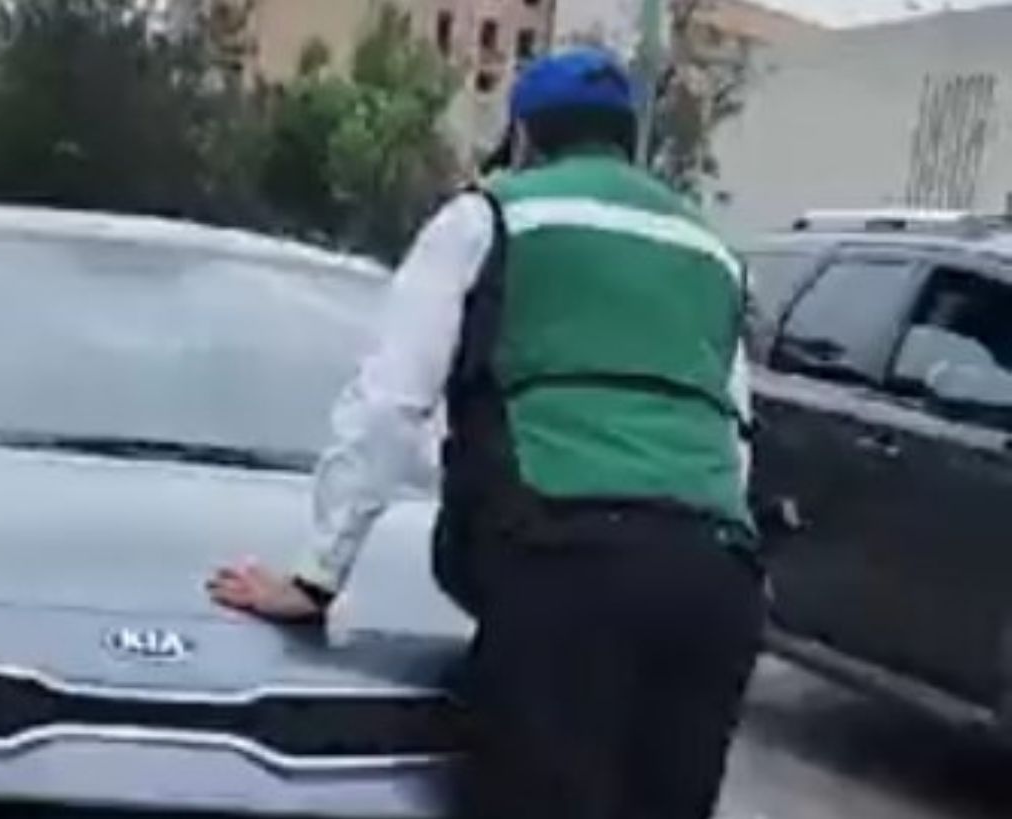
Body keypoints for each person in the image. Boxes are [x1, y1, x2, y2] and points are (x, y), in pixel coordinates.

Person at [208, 48, 764, 819]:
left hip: (567, 563)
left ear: (524, 137)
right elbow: (734, 435)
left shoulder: (490, 215)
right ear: (627, 139)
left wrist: (315, 576)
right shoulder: (709, 251)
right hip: (716, 581)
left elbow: (389, 403)